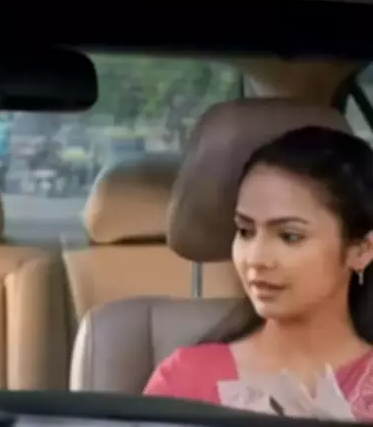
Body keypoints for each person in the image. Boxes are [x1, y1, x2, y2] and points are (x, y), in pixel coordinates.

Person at [143, 126, 373, 420]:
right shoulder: (185, 380)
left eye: (290, 236)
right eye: (245, 231)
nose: (255, 259)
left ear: (361, 250)